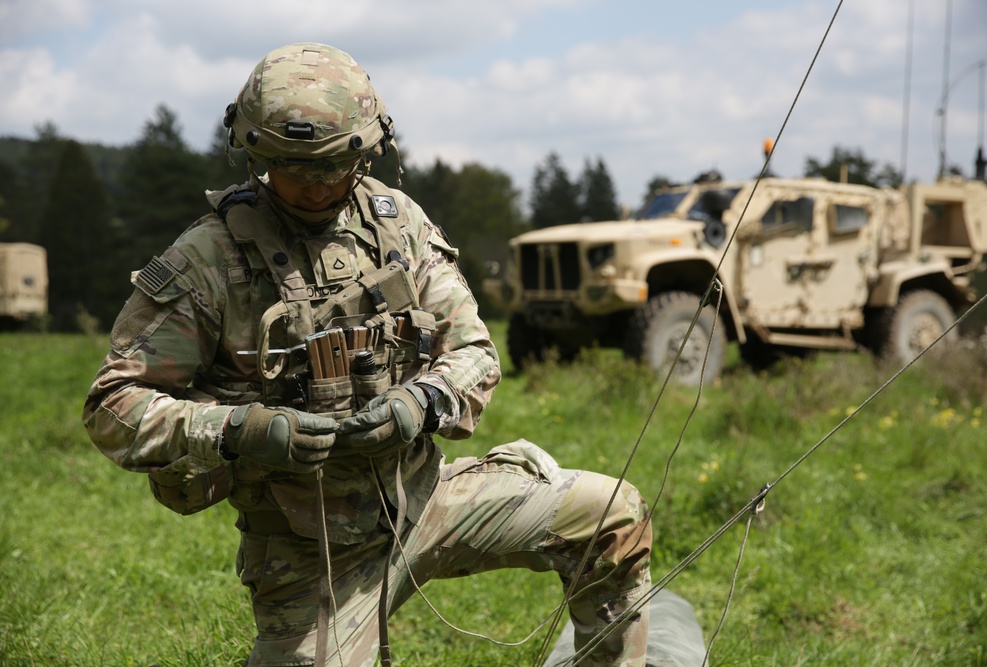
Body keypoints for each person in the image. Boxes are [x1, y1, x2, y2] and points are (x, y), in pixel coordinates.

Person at [83, 42, 651, 667]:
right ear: (255, 155)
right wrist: (240, 428)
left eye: (334, 165)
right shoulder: (207, 262)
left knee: (612, 515)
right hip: (312, 551)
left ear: (368, 147)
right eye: (290, 167)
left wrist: (424, 401)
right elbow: (114, 407)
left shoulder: (396, 226)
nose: (315, 185)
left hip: (428, 499)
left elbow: (474, 350)